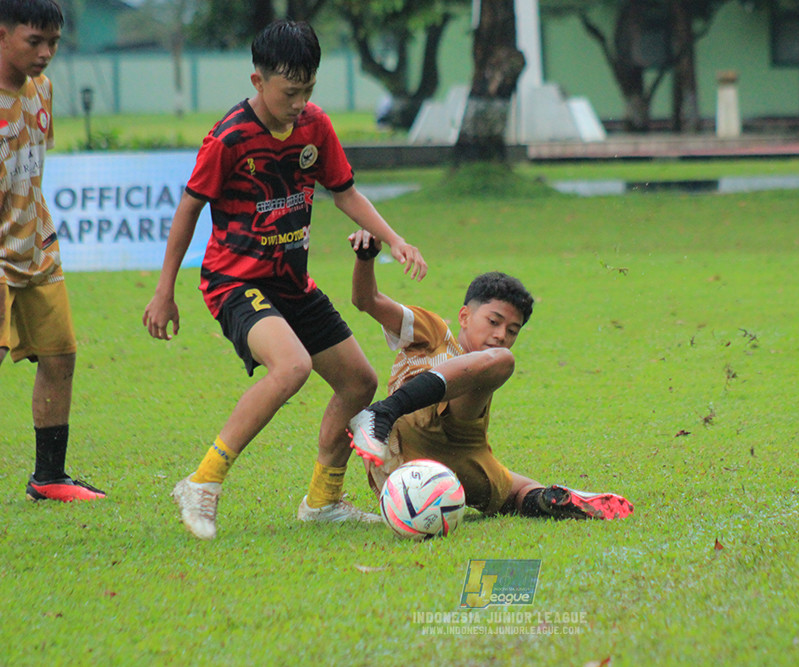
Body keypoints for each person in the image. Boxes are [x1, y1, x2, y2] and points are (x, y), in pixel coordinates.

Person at [142, 20, 426, 540]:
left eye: (308, 90)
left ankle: (323, 502)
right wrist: (165, 292)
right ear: (258, 81)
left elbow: (344, 193)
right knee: (291, 366)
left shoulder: (314, 127)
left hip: (291, 282)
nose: (299, 102)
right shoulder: (229, 137)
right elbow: (188, 208)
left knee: (358, 382)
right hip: (234, 280)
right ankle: (203, 482)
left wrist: (396, 239)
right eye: (289, 91)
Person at [346, 232, 633, 521]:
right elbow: (365, 300)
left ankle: (549, 501)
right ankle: (373, 426)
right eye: (494, 322)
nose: (501, 335)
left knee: (520, 491)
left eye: (512, 330)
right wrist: (365, 257)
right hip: (415, 435)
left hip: (458, 456)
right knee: (502, 361)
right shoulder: (433, 330)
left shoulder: (490, 359)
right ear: (464, 316)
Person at [0, 0, 104, 502]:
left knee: (60, 356)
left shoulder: (42, 88)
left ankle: (49, 477)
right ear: (1, 34)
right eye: (34, 41)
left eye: (54, 43)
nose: (46, 54)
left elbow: (31, 167)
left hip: (37, 248)